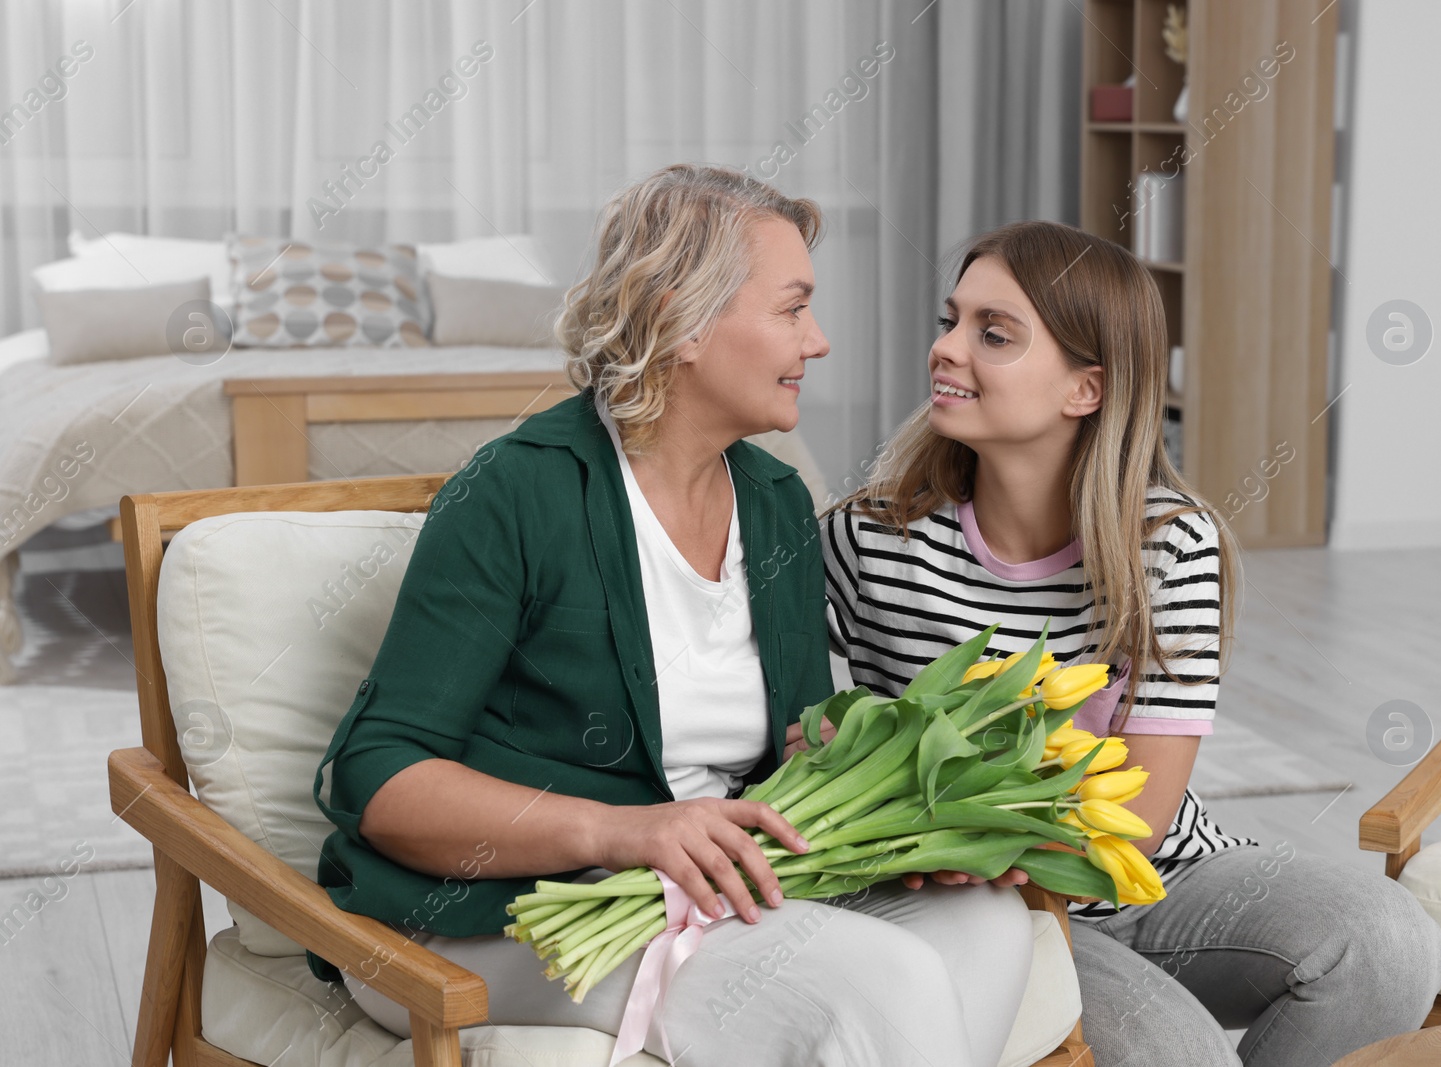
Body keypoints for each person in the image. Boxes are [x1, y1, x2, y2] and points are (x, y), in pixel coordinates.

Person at [309, 164, 1038, 1067]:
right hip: (507, 912)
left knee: (988, 920)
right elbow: (378, 778)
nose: (819, 341)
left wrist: (891, 827)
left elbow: (792, 755)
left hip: (703, 887)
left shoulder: (773, 501)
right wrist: (624, 831)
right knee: (886, 980)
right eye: (792, 308)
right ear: (683, 319)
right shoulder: (515, 491)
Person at [820, 220, 1441, 1067]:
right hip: (979, 904)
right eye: (951, 320)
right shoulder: (870, 537)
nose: (946, 349)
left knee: (1388, 940)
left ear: (1087, 389)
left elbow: (1144, 818)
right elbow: (791, 721)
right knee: (1182, 1056)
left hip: (1141, 874)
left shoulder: (1171, 544)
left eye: (993, 334)